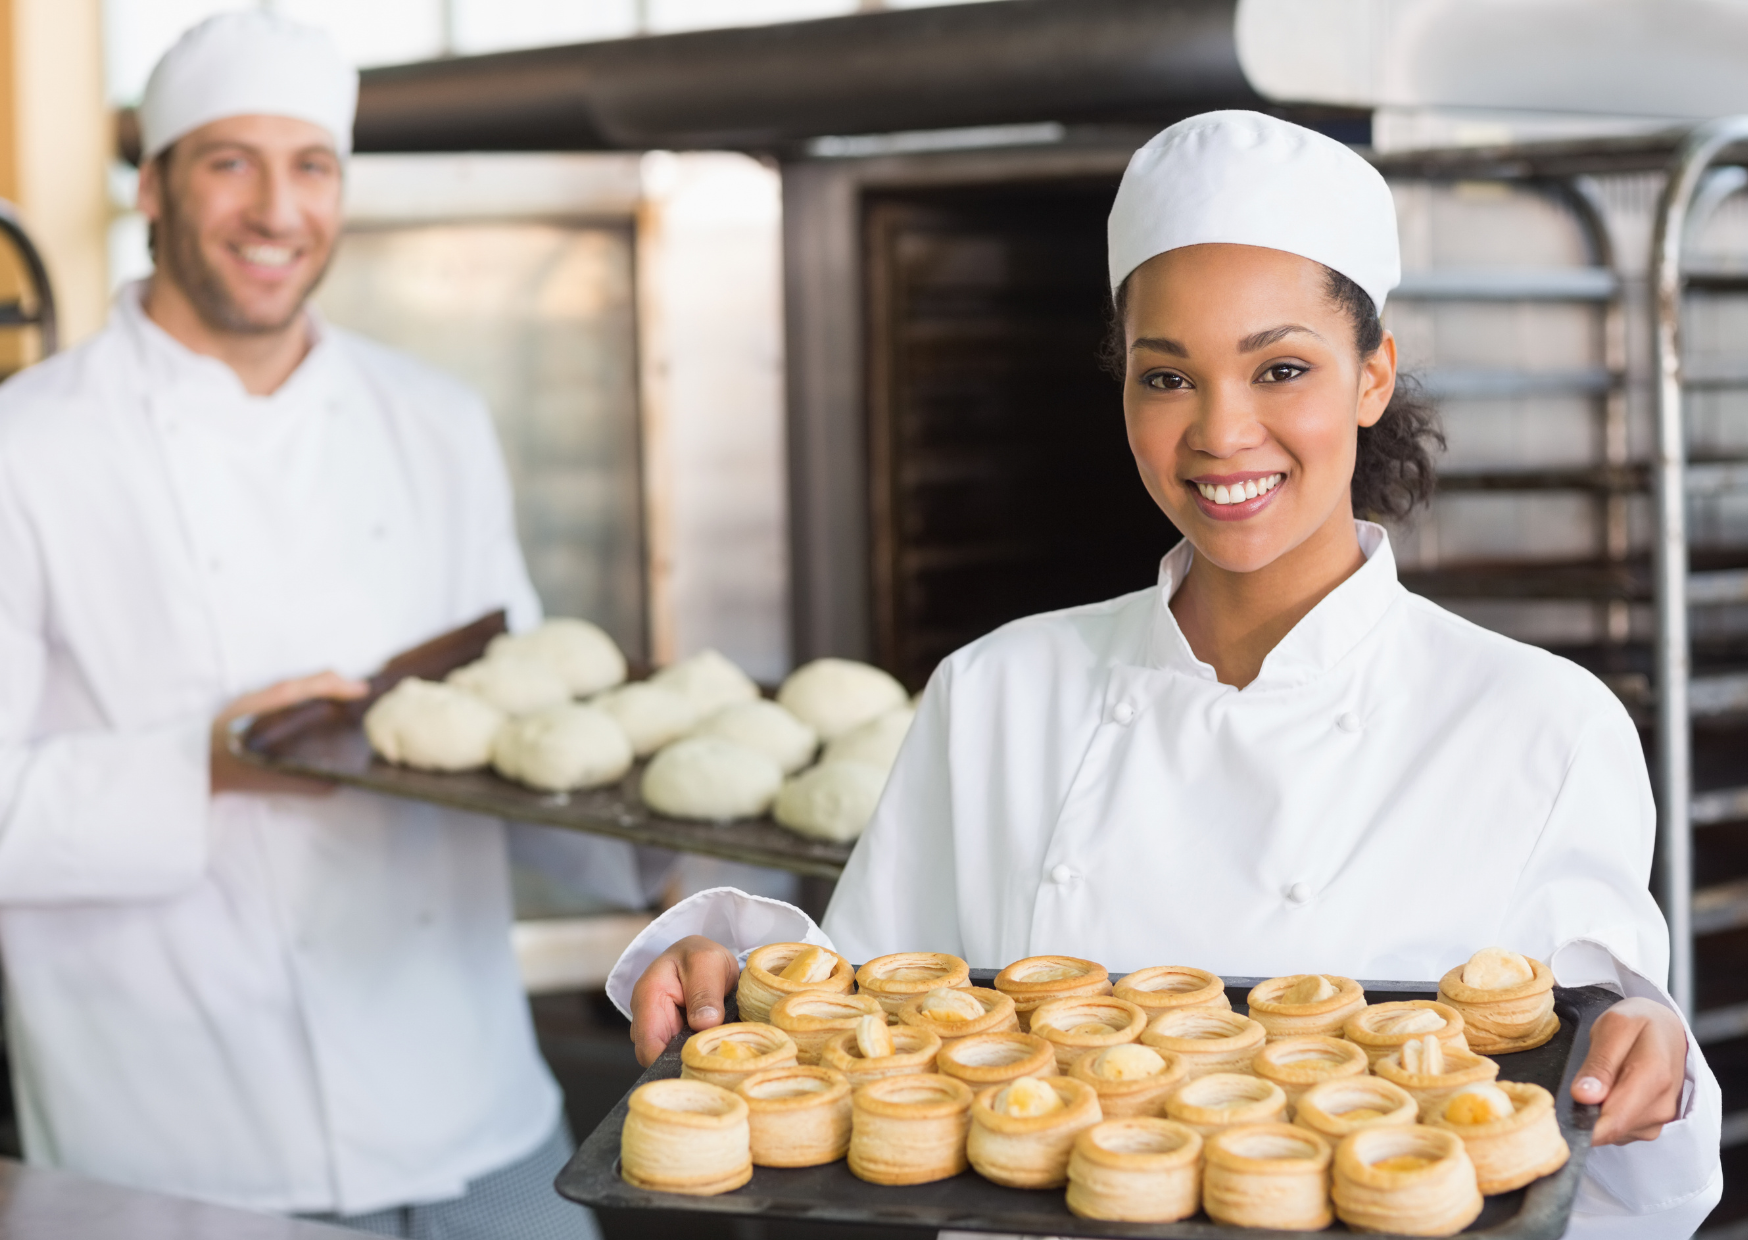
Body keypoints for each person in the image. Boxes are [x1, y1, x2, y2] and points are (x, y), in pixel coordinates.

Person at [611, 112, 1724, 1235]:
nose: (1220, 432)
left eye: (1279, 367)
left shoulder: (1536, 724)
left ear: (1372, 375)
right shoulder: (997, 690)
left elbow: (1600, 1103)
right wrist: (729, 972)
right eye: (1166, 378)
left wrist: (1649, 1061)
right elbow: (871, 1028)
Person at [0, 13, 597, 1238]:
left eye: (311, 165)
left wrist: (681, 855)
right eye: (229, 162)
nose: (277, 209)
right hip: (179, 1144)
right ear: (153, 183)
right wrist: (202, 765)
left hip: (476, 1109)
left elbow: (514, 726)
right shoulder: (29, 448)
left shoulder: (433, 417)